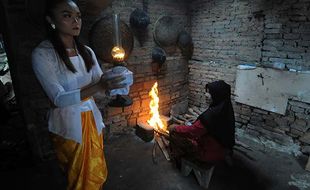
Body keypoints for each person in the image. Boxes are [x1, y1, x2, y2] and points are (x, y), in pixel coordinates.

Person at [32, 0, 126, 189]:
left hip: (91, 118)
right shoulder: (43, 55)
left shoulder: (87, 52)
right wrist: (99, 86)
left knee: (94, 172)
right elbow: (58, 99)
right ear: (51, 20)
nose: (76, 21)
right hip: (68, 124)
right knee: (77, 177)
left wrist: (116, 82)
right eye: (67, 15)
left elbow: (101, 87)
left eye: (78, 16)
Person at [169, 80, 235, 166]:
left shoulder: (211, 115)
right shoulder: (225, 107)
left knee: (175, 134)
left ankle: (178, 159)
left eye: (210, 93)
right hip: (224, 147)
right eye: (206, 92)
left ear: (218, 95)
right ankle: (224, 155)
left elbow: (191, 132)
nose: (206, 95)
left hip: (208, 152)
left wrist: (175, 127)